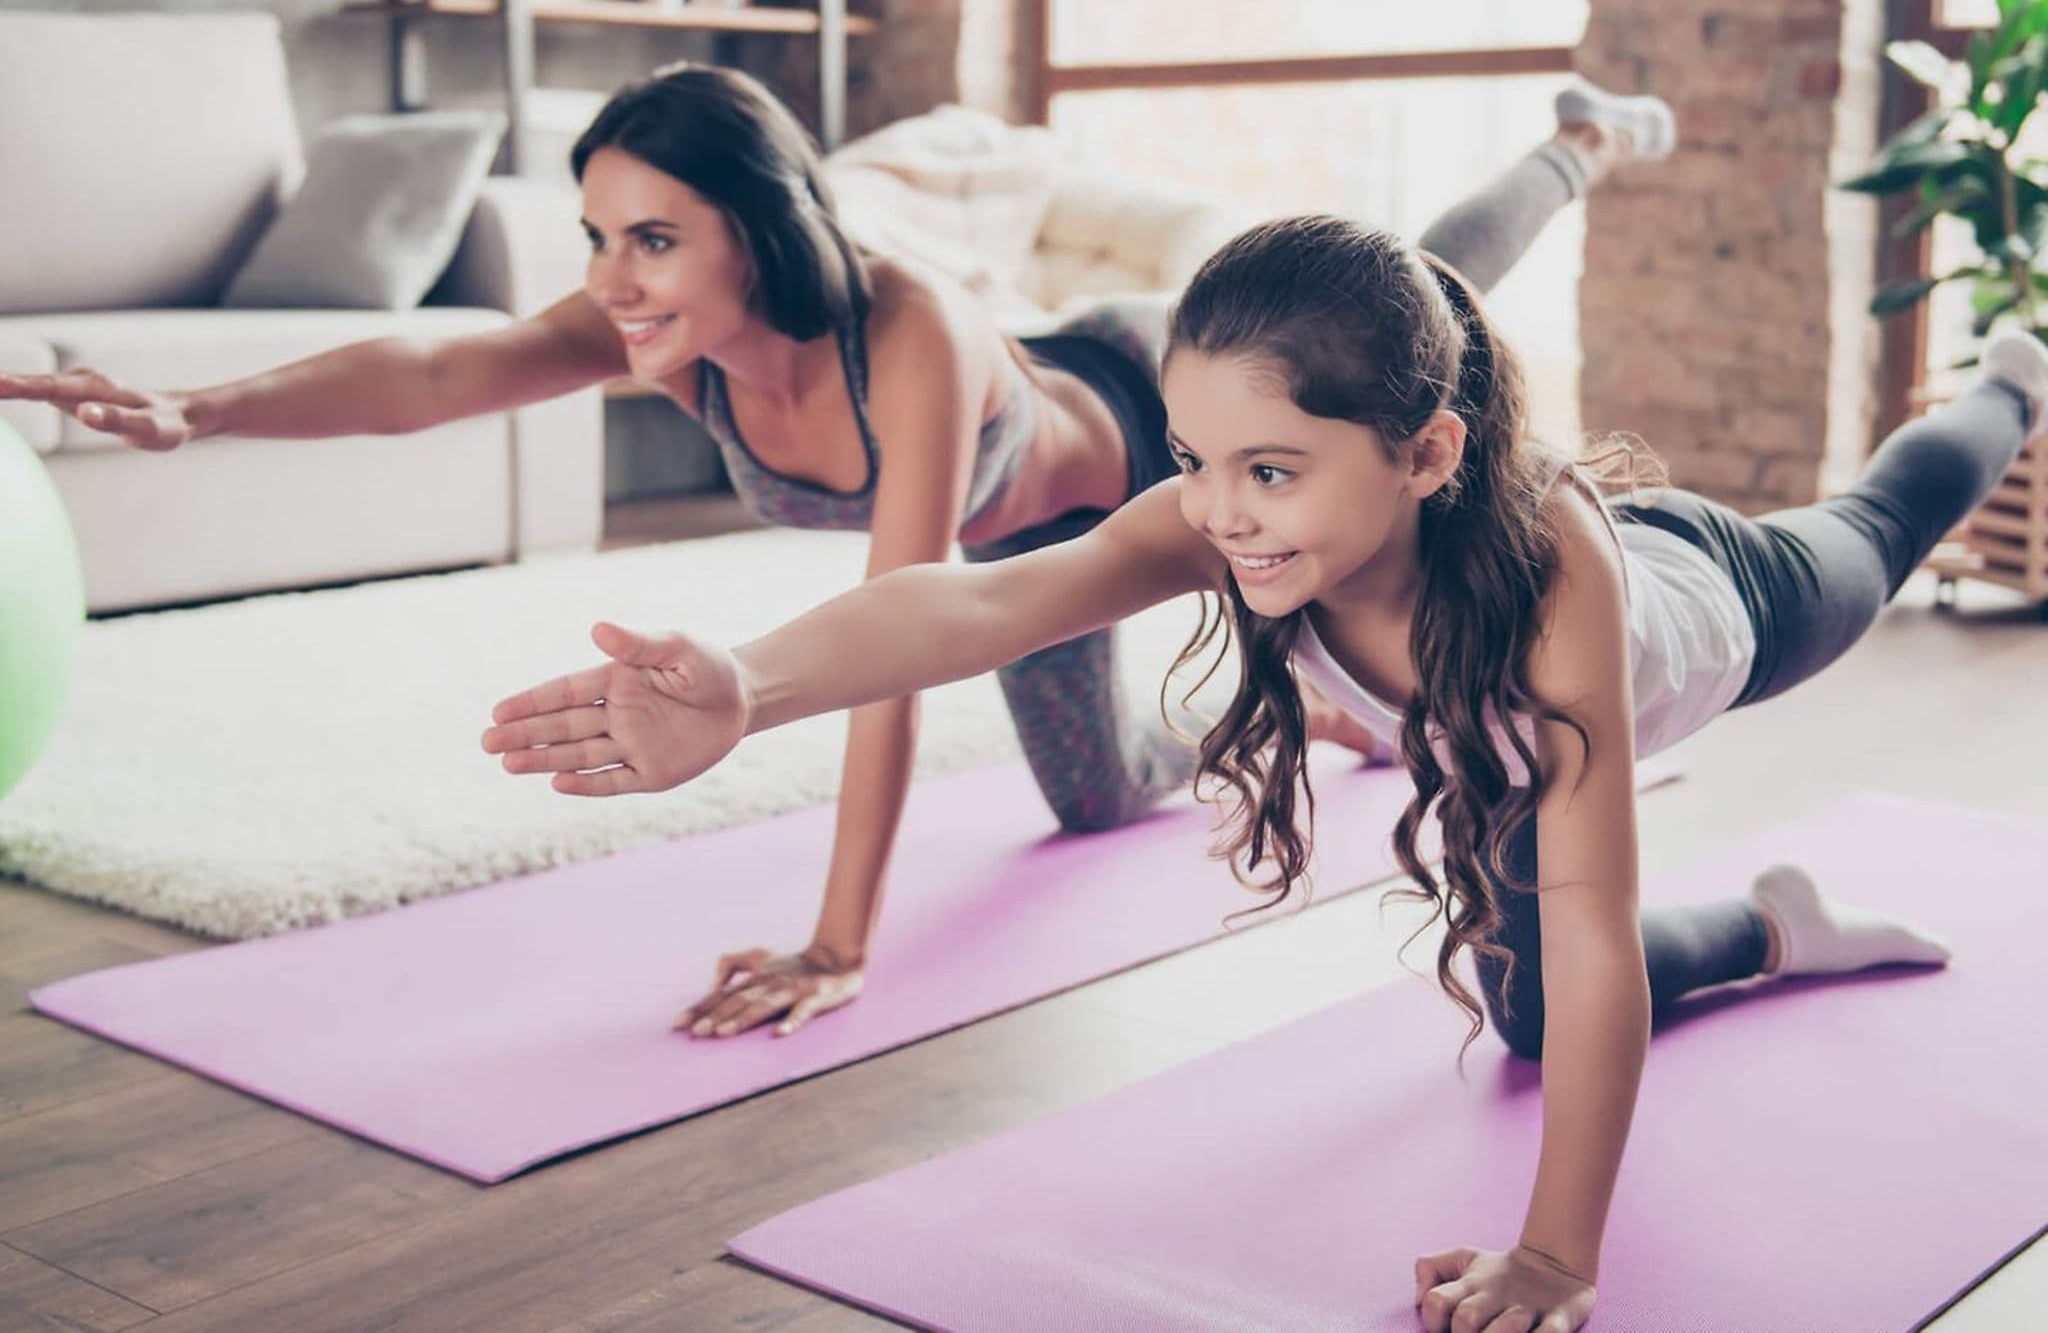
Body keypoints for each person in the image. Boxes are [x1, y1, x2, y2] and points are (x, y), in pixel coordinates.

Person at [483, 210, 2046, 1330]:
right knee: (1524, 1028)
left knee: (1880, 532)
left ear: (1427, 454)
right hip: (1495, 742)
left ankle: (2008, 380)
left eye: (1271, 471)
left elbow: (1585, 908)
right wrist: (749, 686)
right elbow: (984, 599)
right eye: (1193, 460)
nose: (1219, 513)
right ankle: (1782, 932)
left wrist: (1558, 1260)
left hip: (1710, 610)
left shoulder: (1555, 574)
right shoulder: (1223, 522)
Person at [0, 62, 1670, 1054]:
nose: (617, 278)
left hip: (1100, 455)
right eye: (598, 237)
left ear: (762, 229)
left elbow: (914, 622)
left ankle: (1577, 147)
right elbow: (434, 372)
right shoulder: (665, 318)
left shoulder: (910, 338)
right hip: (1017, 566)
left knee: (1431, 289)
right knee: (1097, 802)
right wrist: (190, 410)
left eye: (655, 238)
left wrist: (840, 938)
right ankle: (1314, 694)